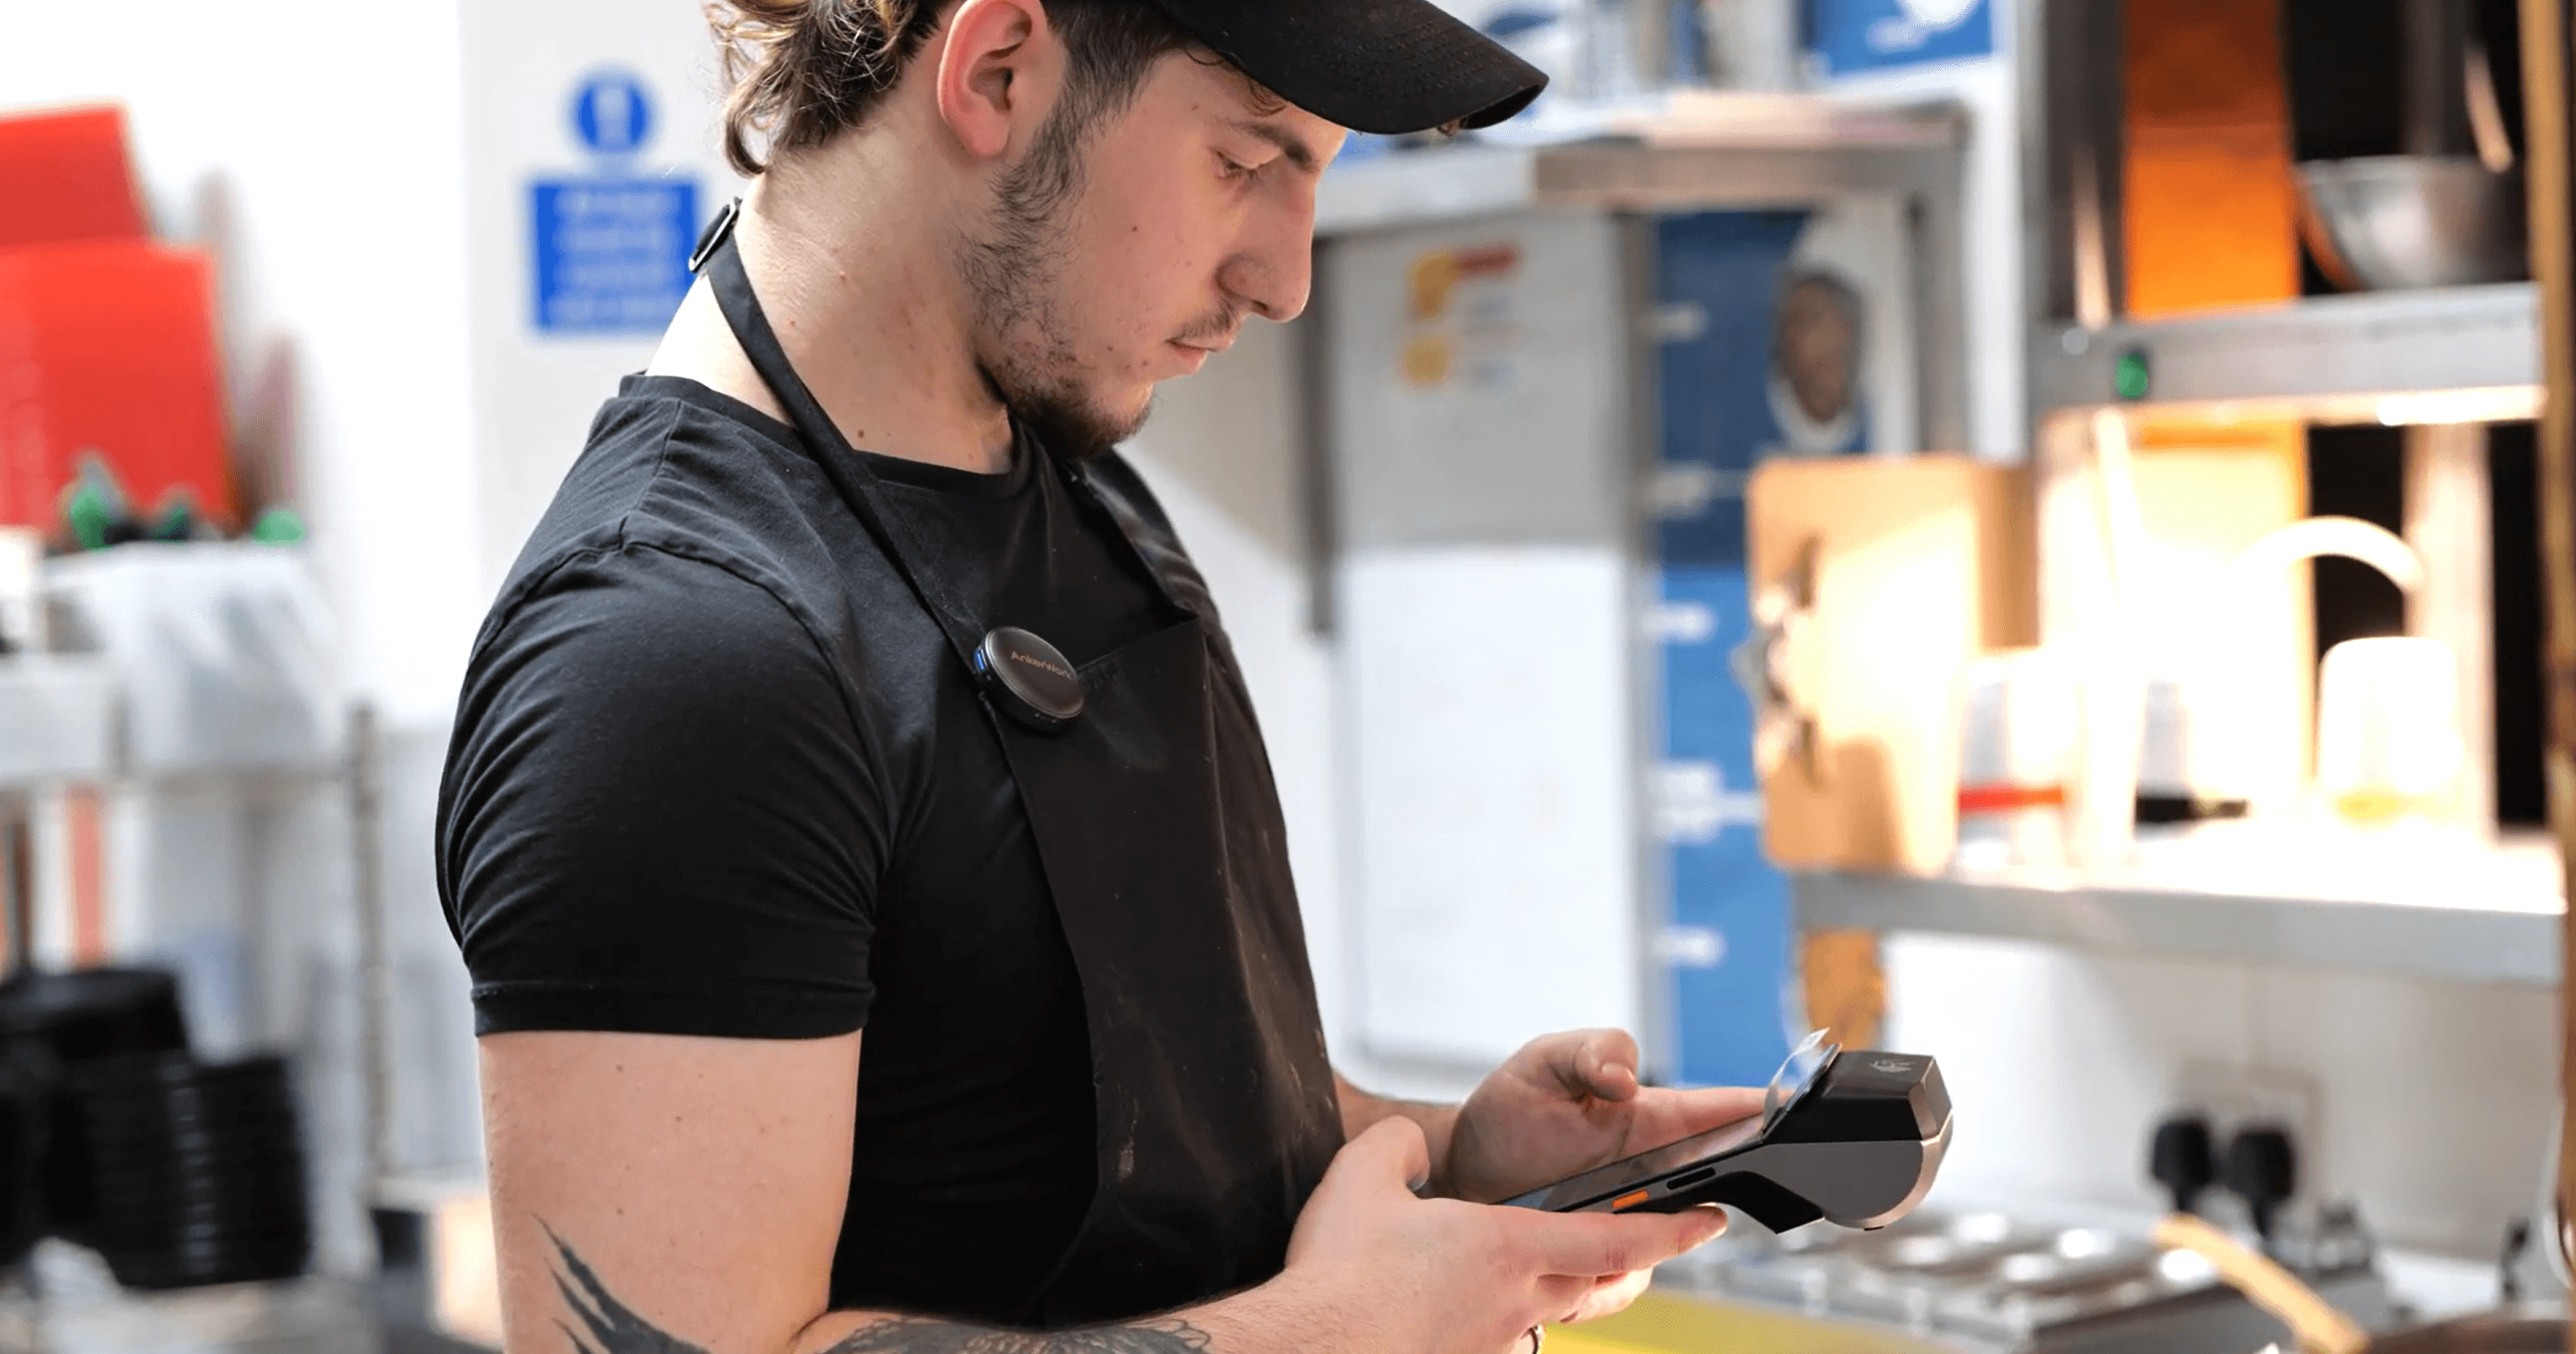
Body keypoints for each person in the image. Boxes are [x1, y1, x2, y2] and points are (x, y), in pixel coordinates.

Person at [436, 1, 1765, 1350]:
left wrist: (1456, 1159)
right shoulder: (673, 655)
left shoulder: (1090, 503)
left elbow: (1110, 1143)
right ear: (998, 66)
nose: (1287, 278)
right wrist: (1339, 1332)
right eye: (1247, 164)